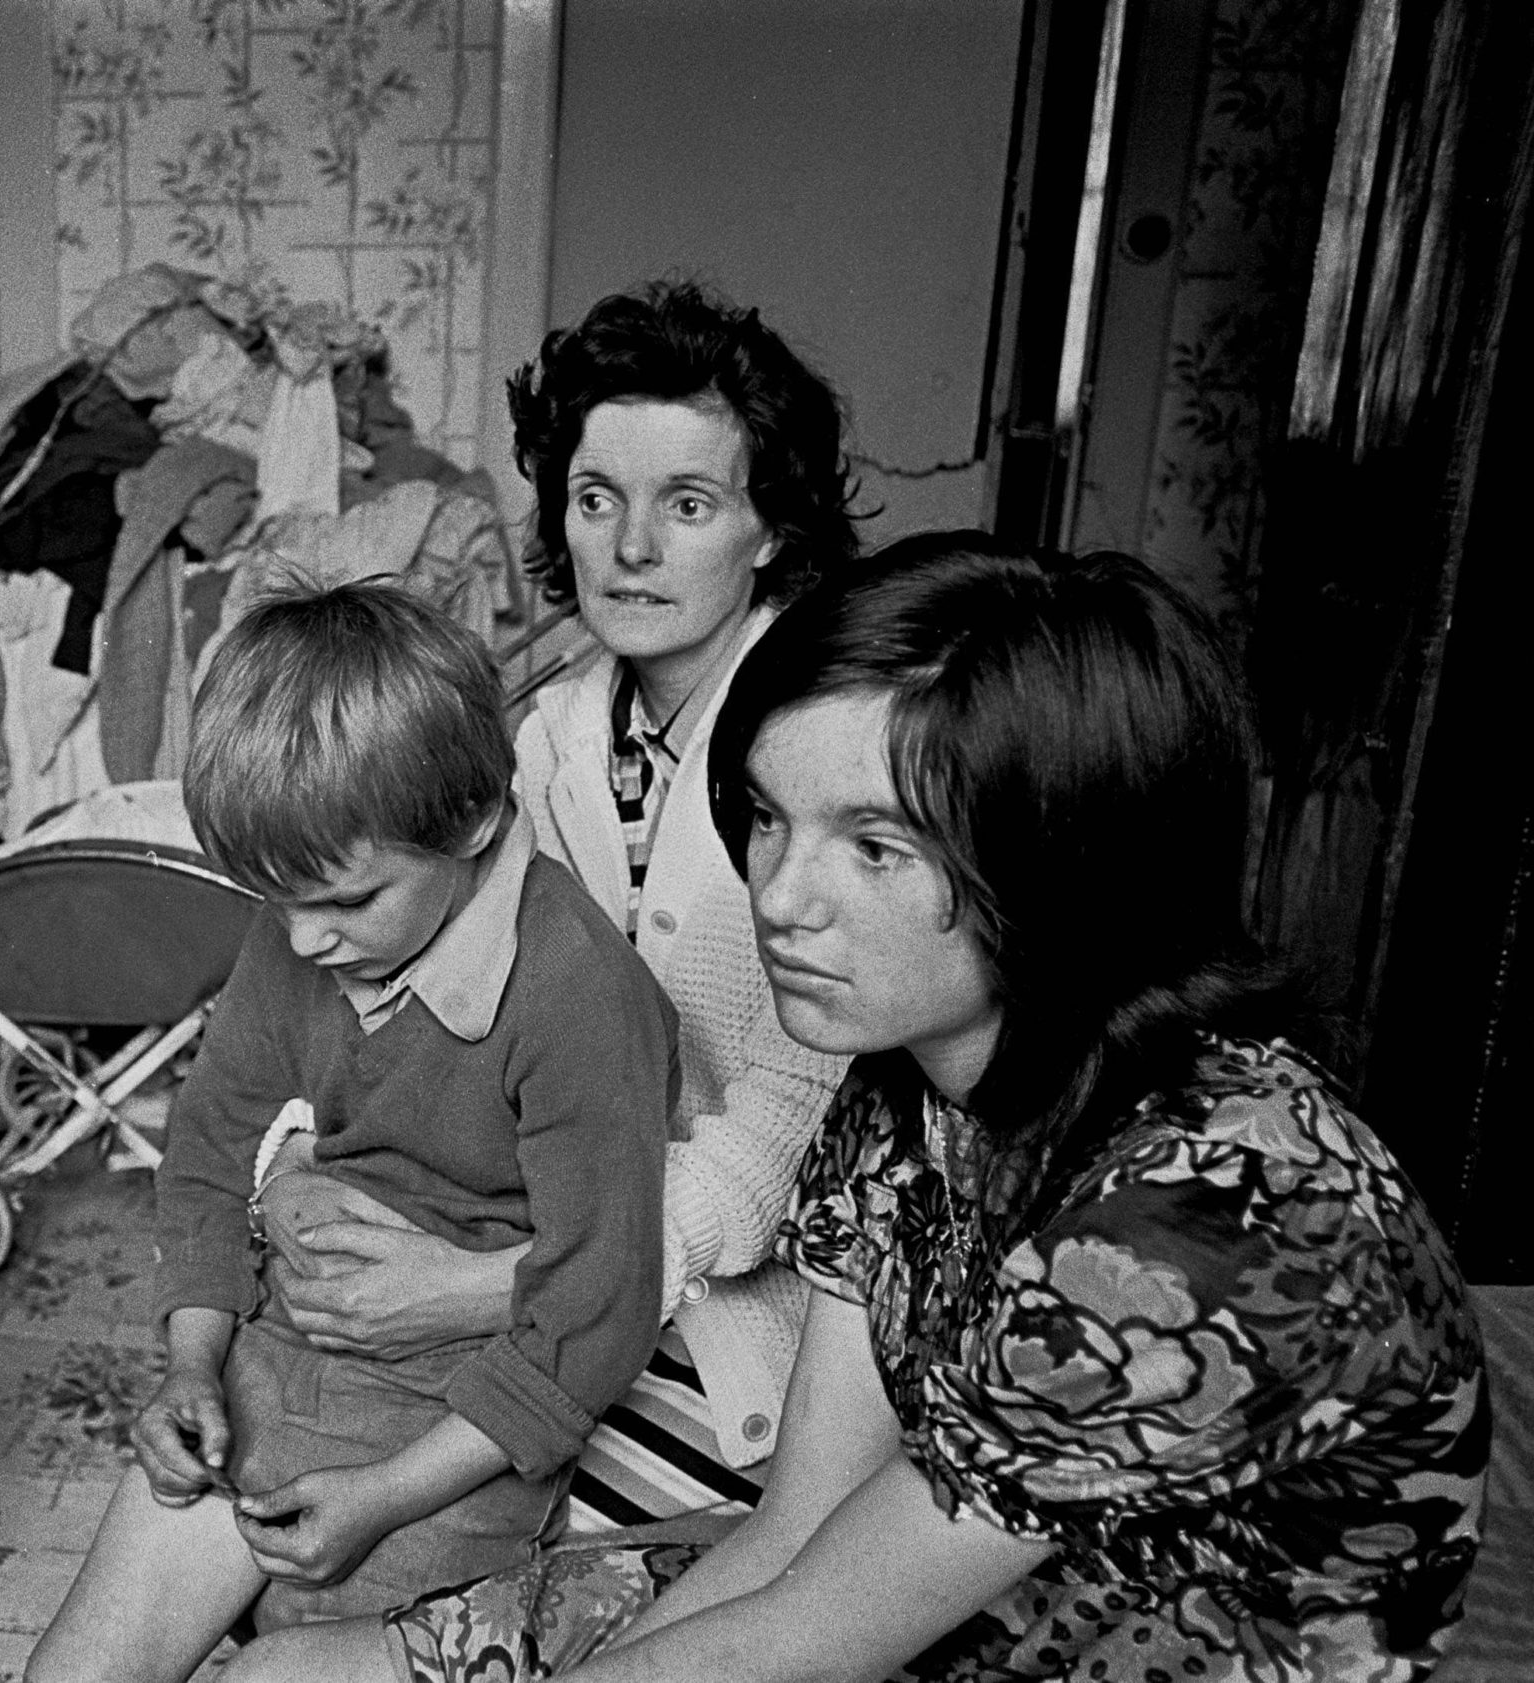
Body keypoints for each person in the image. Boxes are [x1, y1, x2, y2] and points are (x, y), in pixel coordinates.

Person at [226, 532, 1488, 1683]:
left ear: (1064, 860)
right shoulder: (905, 1083)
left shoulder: (1212, 1211)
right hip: (925, 1601)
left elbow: (814, 1637)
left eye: (875, 847)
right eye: (768, 819)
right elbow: (797, 1529)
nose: (780, 896)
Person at [267, 280, 861, 1523]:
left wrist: (489, 1285)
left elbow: (788, 1131)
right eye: (597, 500)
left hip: (742, 1308)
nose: (628, 550)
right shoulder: (549, 739)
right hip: (540, 1236)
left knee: (445, 1543)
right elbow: (390, 989)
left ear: (770, 529)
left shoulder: (827, 753)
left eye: (687, 505)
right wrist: (297, 1166)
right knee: (255, 1452)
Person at [25, 581, 682, 1683]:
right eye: (276, 902)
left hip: (466, 1423)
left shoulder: (577, 992)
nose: (304, 942)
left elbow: (591, 1312)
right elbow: (207, 1149)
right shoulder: (310, 915)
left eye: (343, 902)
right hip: (284, 1359)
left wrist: (385, 1496)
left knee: (280, 1669)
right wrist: (191, 1363)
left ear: (472, 822)